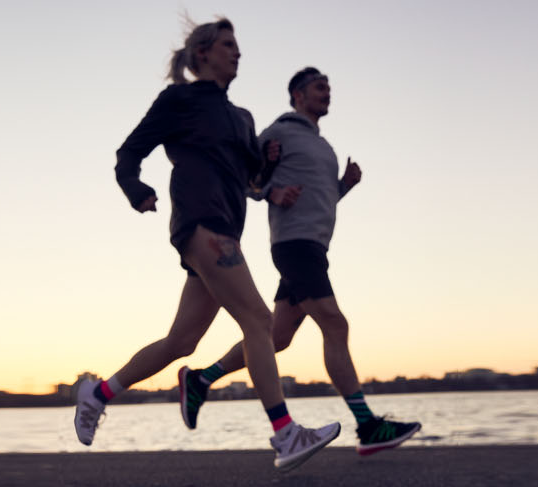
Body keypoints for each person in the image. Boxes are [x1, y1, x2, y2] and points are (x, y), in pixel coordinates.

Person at [74, 17, 340, 473]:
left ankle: (97, 394)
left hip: (227, 228)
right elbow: (128, 153)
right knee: (260, 320)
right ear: (203, 53)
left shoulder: (242, 118)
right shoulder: (179, 100)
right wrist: (137, 190)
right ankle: (285, 434)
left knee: (182, 341)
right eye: (228, 45)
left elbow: (251, 180)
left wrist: (266, 164)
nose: (237, 53)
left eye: (238, 46)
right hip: (200, 222)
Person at [176, 67, 422, 456]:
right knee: (335, 324)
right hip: (295, 246)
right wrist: (270, 192)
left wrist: (344, 186)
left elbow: (319, 200)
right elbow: (243, 178)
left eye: (329, 87)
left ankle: (201, 380)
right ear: (298, 95)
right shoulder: (279, 132)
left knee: (277, 338)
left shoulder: (323, 146)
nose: (327, 92)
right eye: (319, 87)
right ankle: (368, 426)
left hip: (314, 247)